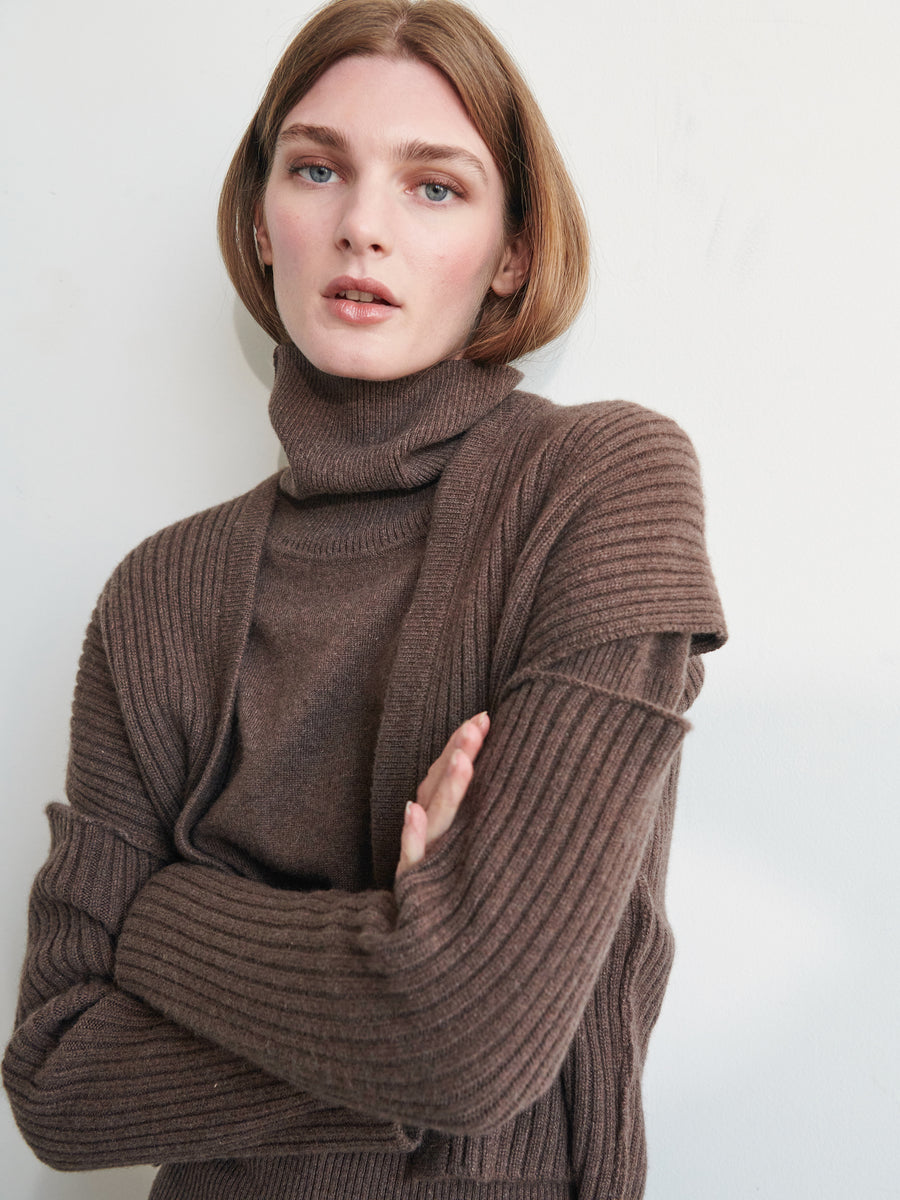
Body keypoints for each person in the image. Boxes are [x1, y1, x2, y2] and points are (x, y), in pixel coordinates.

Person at [2, 0, 726, 1196]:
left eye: (433, 186)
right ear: (261, 219)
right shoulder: (157, 593)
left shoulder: (600, 488)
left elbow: (471, 1033)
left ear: (513, 252)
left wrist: (166, 920)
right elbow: (58, 1078)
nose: (361, 228)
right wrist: (393, 974)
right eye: (318, 168)